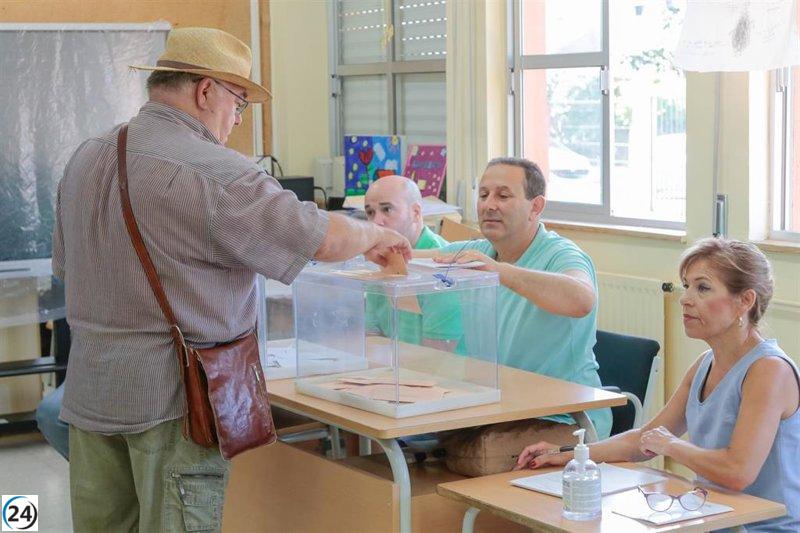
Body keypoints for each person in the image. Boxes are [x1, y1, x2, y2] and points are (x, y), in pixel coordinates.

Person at [52, 27, 410, 532]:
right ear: (205, 92)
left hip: (91, 395)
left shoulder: (85, 157)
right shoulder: (218, 172)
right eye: (239, 104)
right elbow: (321, 239)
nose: (237, 121)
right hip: (175, 403)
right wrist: (374, 234)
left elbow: (67, 268)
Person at [517, 238, 799, 532]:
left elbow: (737, 471)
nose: (685, 298)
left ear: (745, 301)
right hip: (717, 519)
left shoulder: (769, 371)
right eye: (686, 285)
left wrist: (672, 446)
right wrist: (571, 453)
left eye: (702, 288)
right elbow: (644, 439)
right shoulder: (705, 363)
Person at [417, 157, 611, 475]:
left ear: (536, 207)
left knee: (473, 455)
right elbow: (414, 259)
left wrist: (500, 272)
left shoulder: (562, 254)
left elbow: (581, 298)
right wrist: (379, 247)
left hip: (565, 420)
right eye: (483, 195)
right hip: (498, 408)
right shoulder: (480, 250)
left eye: (503, 196)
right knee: (417, 435)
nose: (489, 205)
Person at [364, 175, 462, 351]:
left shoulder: (442, 269)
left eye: (387, 209)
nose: (376, 221)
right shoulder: (380, 257)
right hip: (394, 370)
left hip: (437, 371)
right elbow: (372, 335)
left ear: (415, 213)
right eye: (370, 212)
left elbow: (440, 355)